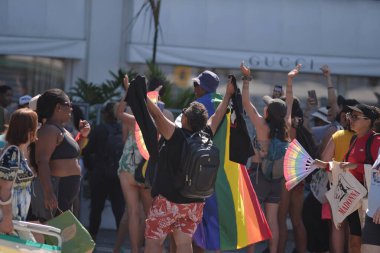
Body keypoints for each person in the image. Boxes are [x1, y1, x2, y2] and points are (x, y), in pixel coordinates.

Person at [124, 74, 234, 253]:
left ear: (185, 119)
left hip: (168, 202)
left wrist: (140, 92)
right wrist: (228, 95)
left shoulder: (176, 136)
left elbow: (157, 115)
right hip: (194, 204)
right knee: (184, 244)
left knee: (154, 242)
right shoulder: (206, 135)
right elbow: (219, 114)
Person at [242, 63, 300, 253]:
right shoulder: (286, 126)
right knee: (272, 219)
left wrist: (247, 78)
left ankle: (251, 251)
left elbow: (246, 103)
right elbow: (290, 101)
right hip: (277, 180)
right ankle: (273, 251)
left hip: (258, 176)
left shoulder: (261, 127)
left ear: (267, 111)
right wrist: (290, 80)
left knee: (253, 217)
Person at [315, 103, 380, 253]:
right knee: (354, 242)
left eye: (355, 117)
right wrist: (324, 165)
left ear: (368, 121)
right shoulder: (354, 140)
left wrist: (354, 166)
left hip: (370, 203)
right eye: (350, 116)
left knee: (368, 246)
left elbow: (375, 171)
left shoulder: (376, 141)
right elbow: (343, 166)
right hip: (354, 200)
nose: (350, 119)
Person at [30, 89, 90, 222]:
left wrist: (83, 135)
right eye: (69, 104)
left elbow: (71, 154)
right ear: (58, 107)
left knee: (64, 235)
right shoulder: (49, 130)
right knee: (54, 234)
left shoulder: (61, 129)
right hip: (57, 189)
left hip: (66, 190)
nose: (71, 109)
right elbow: (42, 161)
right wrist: (49, 193)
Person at [82, 102, 125, 241]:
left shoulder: (99, 129)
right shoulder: (122, 129)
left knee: (96, 208)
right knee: (119, 210)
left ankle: (92, 239)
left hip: (100, 175)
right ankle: (120, 242)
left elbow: (87, 152)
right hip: (118, 175)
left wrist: (91, 168)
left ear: (106, 114)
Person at [0, 108, 37, 235]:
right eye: (36, 125)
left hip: (17, 221)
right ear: (29, 129)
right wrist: (6, 219)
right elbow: (4, 188)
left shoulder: (18, 152)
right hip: (9, 222)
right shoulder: (12, 152)